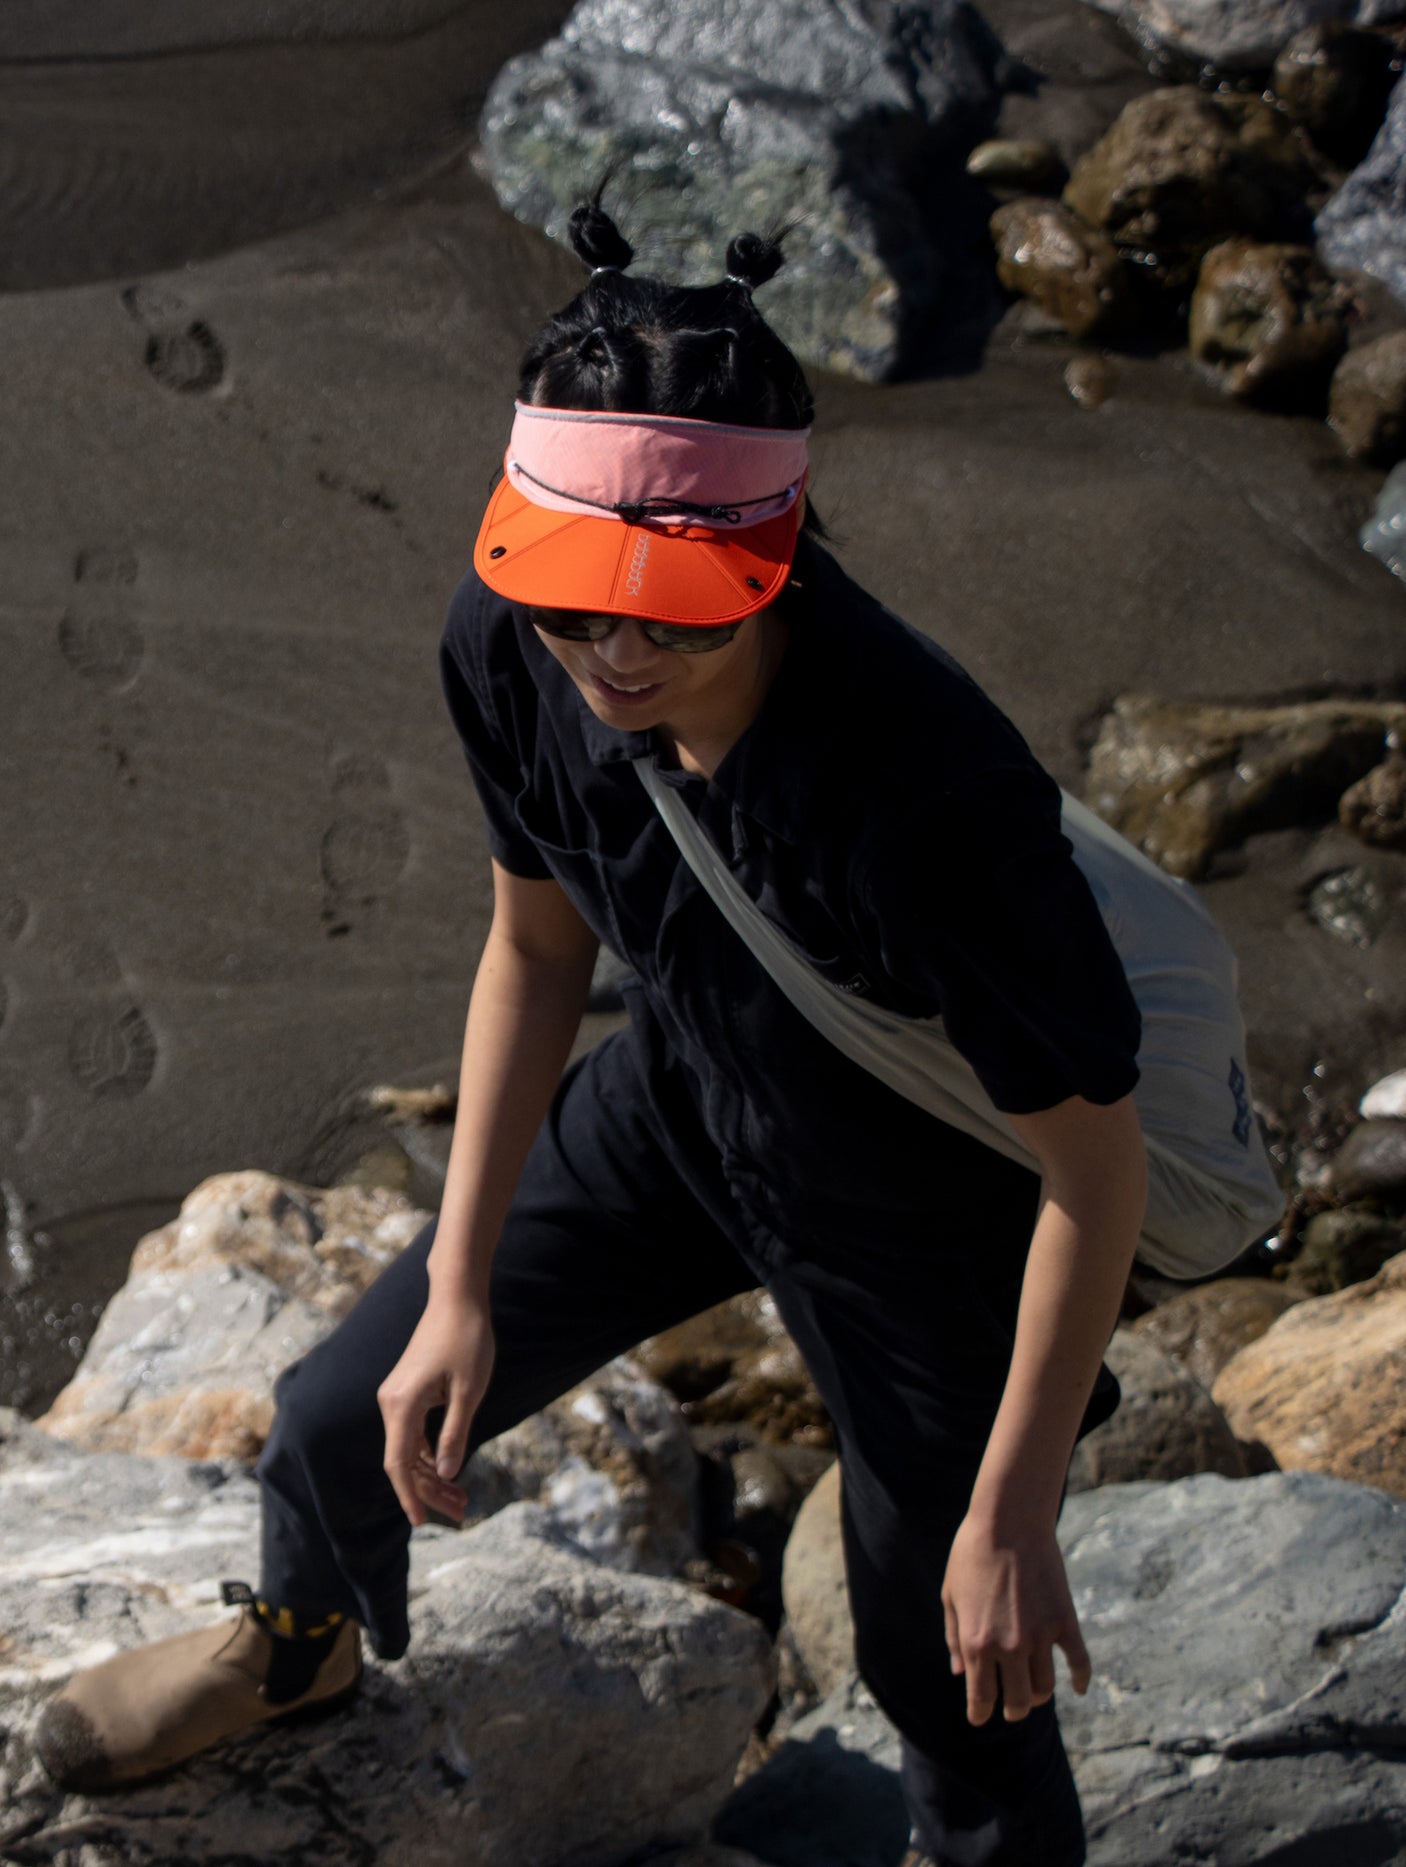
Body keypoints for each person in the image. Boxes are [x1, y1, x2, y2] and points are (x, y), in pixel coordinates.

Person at [37, 197, 1149, 1867]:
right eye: (579, 603)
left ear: (774, 553)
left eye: (678, 611)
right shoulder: (508, 644)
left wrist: (1008, 1513)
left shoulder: (929, 799)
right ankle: (298, 1647)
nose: (616, 653)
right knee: (342, 1414)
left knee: (949, 1649)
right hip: (683, 1106)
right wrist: (464, 1283)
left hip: (921, 1215)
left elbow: (1092, 1169)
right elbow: (533, 949)